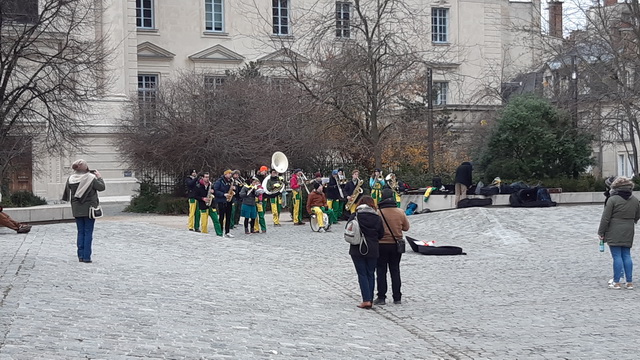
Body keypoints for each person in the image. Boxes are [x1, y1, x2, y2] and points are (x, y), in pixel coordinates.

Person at [598, 176, 640, 290]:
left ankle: (616, 282)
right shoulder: (635, 200)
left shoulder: (612, 199)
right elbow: (637, 215)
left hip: (614, 229)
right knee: (627, 255)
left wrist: (601, 232)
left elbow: (605, 218)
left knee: (617, 256)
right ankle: (629, 282)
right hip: (629, 229)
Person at [62, 159, 105, 263]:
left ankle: (80, 256)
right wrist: (99, 177)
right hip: (89, 209)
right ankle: (87, 257)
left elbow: (67, 194)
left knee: (80, 232)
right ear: (86, 167)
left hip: (76, 209)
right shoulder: (91, 178)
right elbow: (101, 187)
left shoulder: (71, 178)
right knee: (88, 232)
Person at [348, 195, 385, 309]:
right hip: (373, 248)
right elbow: (381, 234)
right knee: (370, 273)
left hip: (357, 248)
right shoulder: (377, 217)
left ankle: (366, 300)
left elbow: (348, 229)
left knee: (362, 273)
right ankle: (370, 298)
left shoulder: (355, 216)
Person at [375, 188, 410, 305]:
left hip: (381, 245)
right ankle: (397, 297)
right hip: (396, 245)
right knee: (395, 271)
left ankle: (381, 297)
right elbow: (406, 228)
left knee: (381, 271)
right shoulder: (400, 212)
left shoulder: (378, 212)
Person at [214, 170, 235, 237]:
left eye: (231, 174)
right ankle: (220, 231)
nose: (230, 175)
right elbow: (215, 190)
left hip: (229, 201)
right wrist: (223, 194)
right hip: (221, 200)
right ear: (225, 174)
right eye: (229, 173)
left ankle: (227, 231)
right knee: (221, 217)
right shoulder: (219, 181)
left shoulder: (231, 181)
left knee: (228, 217)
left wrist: (234, 189)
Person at [253, 166, 269, 233]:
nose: (265, 172)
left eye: (266, 171)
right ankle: (256, 228)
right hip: (257, 198)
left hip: (264, 197)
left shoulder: (266, 178)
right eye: (264, 171)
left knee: (262, 214)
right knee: (255, 214)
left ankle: (263, 228)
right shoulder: (256, 178)